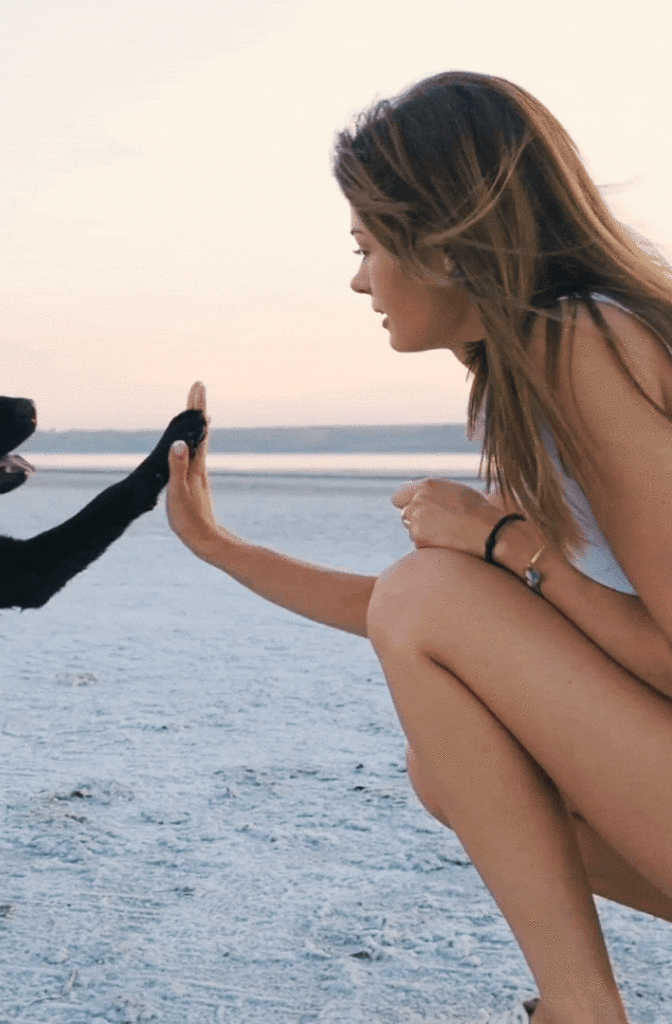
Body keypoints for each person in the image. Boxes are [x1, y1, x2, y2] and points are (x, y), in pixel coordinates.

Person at [164, 72, 672, 1024]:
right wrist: (220, 546)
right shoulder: (538, 374)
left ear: (443, 241)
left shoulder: (590, 343)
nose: (359, 280)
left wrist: (512, 547)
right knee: (449, 761)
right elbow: (439, 624)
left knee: (433, 596)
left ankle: (579, 1010)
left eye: (366, 246)